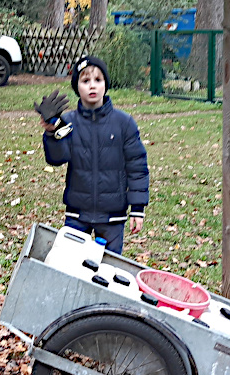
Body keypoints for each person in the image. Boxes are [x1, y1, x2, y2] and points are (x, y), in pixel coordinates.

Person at [36, 56, 149, 254]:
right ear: (76, 86)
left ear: (106, 84)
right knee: (69, 264)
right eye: (85, 81)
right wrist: (51, 132)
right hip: (77, 213)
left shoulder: (123, 123)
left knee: (107, 269)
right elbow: (56, 158)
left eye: (98, 80)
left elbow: (137, 166)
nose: (92, 86)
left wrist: (137, 208)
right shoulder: (68, 122)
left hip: (113, 215)